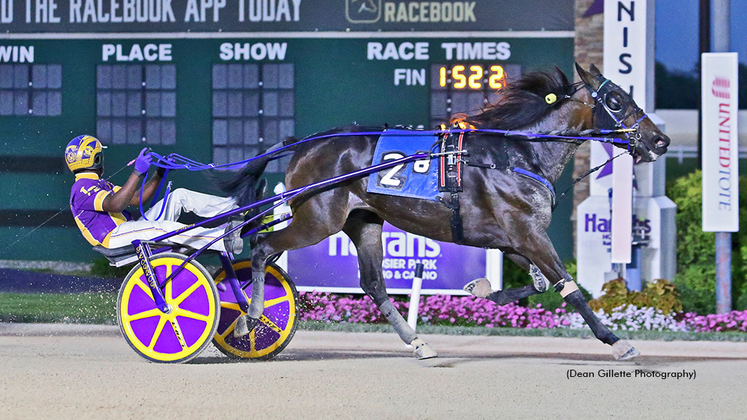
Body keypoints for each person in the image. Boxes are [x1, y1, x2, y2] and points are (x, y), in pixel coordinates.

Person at [65, 135, 243, 254]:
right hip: (113, 237)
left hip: (129, 228)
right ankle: (222, 240)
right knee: (161, 228)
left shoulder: (99, 184)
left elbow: (136, 199)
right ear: (96, 159)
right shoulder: (82, 187)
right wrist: (137, 173)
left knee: (178, 195)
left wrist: (159, 173)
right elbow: (116, 205)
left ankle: (234, 209)